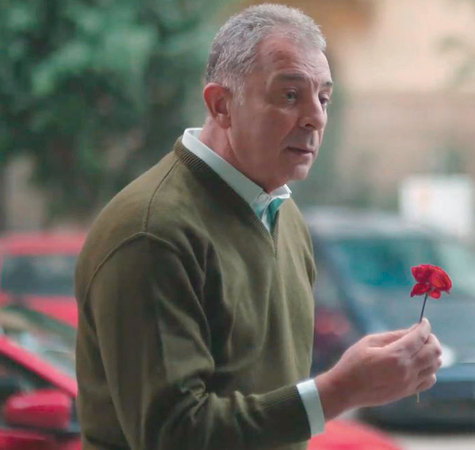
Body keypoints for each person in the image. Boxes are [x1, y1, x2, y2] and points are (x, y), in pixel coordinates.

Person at [74, 4, 442, 449]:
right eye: (290, 95)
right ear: (221, 105)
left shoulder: (284, 217)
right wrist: (339, 391)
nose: (315, 116)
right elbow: (173, 434)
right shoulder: (152, 231)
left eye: (323, 98)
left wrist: (354, 381)